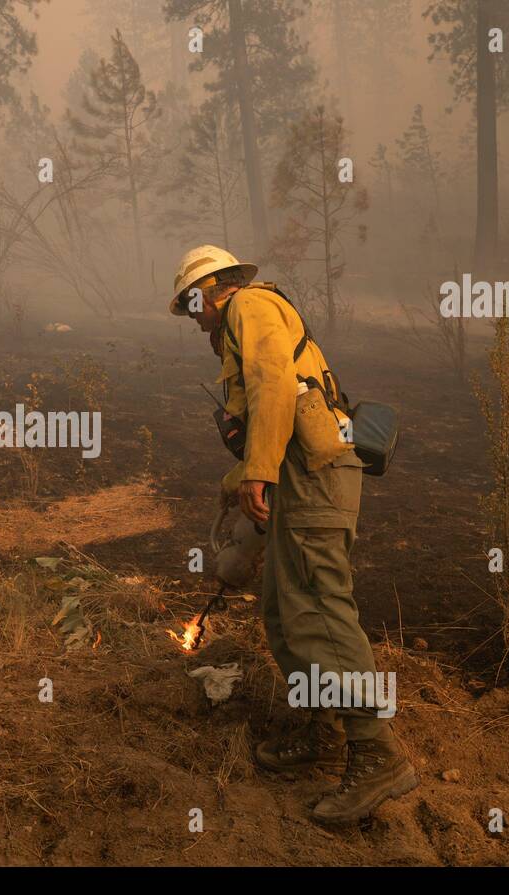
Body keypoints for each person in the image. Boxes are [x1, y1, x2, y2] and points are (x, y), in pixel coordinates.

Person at [169, 244, 418, 825]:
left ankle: (376, 752)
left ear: (209, 289)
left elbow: (275, 389)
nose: (191, 316)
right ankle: (326, 731)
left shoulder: (249, 307)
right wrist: (240, 479)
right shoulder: (239, 322)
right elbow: (266, 413)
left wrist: (256, 471)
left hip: (313, 478)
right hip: (298, 477)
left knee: (320, 612)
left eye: (190, 303)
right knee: (286, 613)